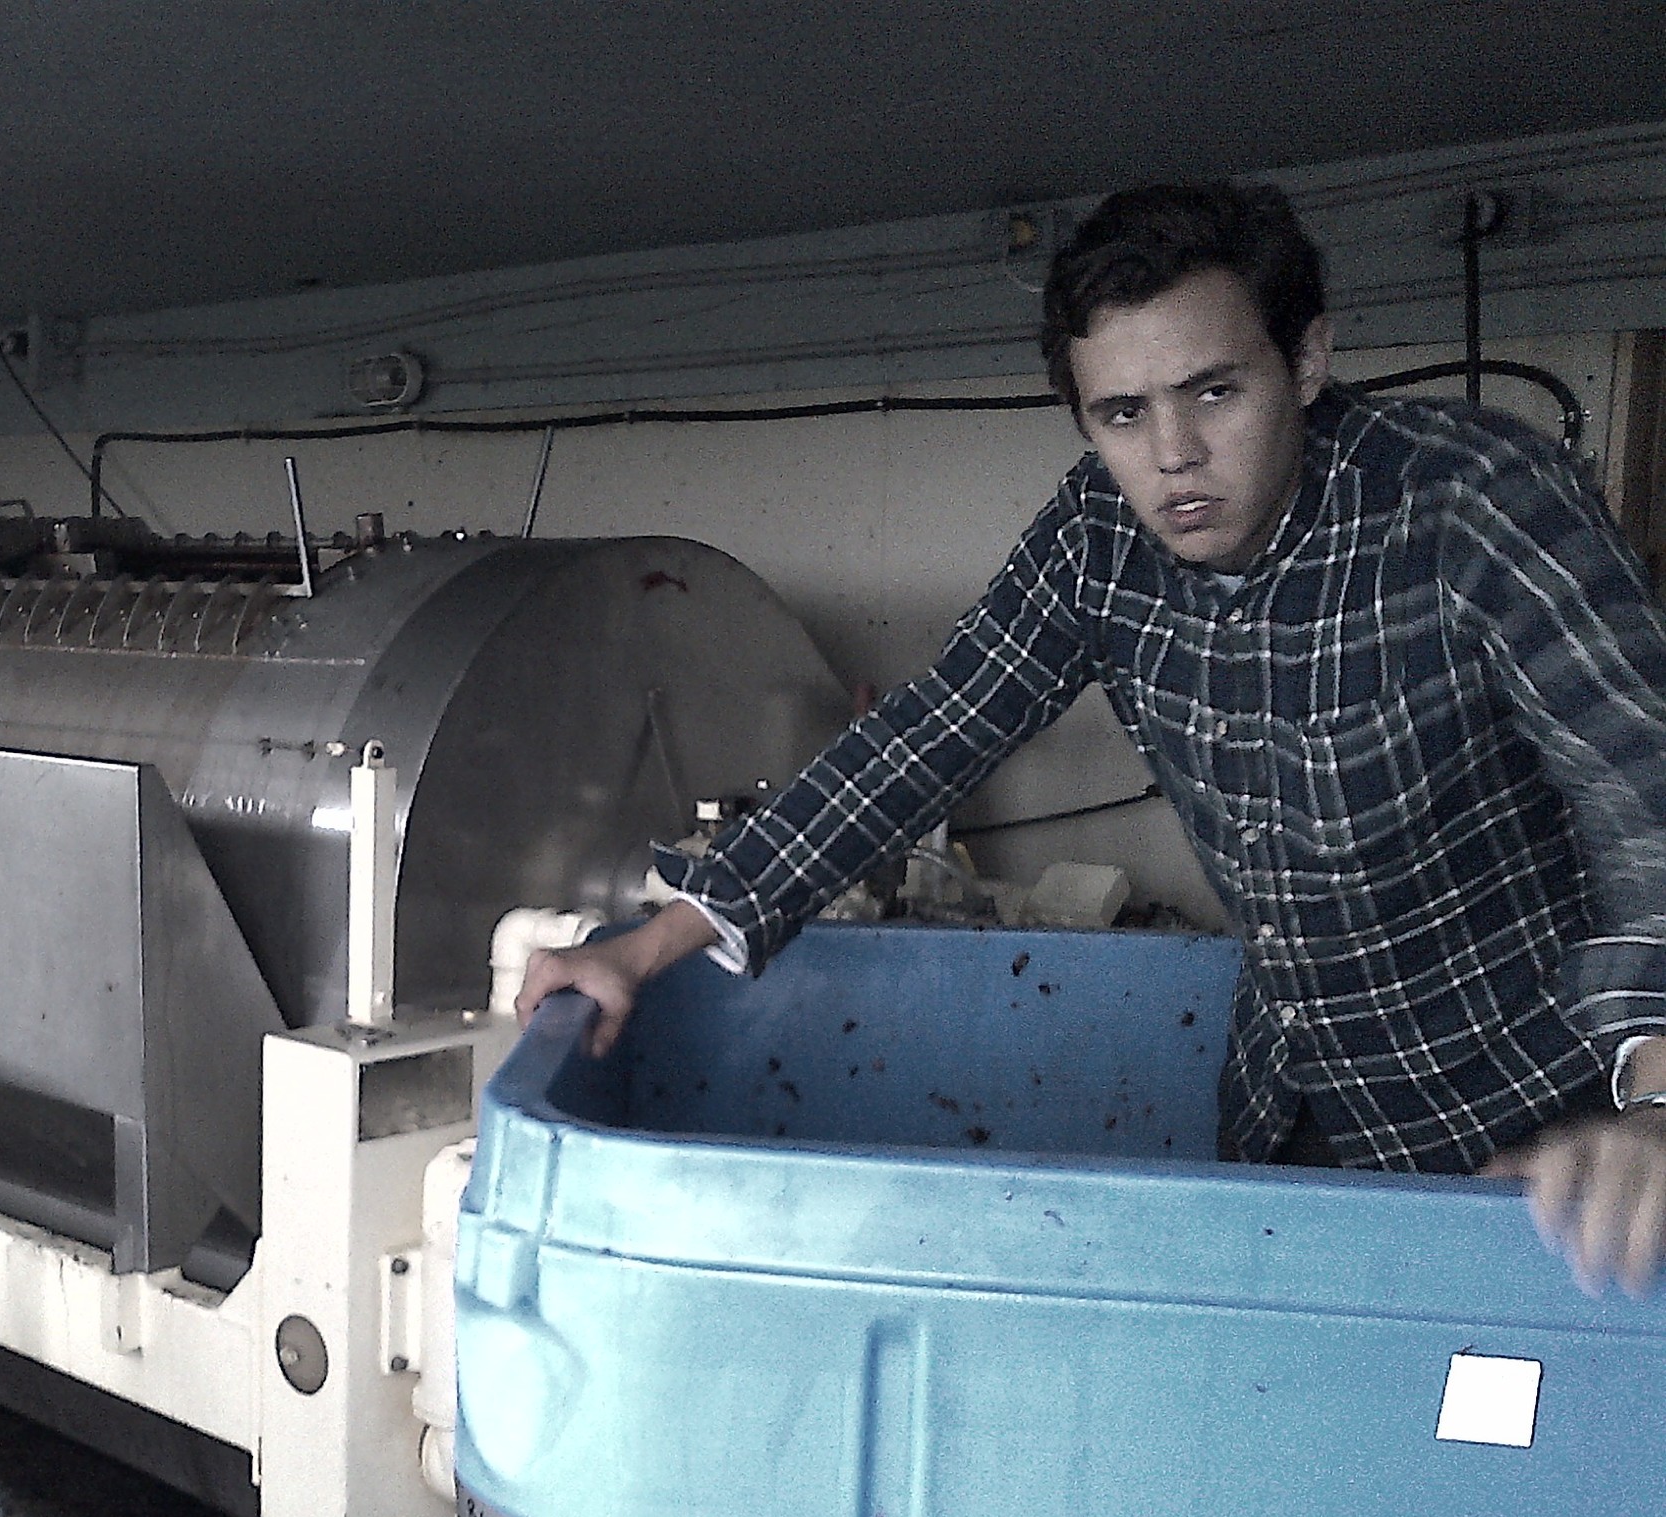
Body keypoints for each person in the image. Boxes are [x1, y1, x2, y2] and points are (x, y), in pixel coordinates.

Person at [521, 180, 1666, 1298]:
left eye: (1213, 392)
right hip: (1299, 1116)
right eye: (1122, 414)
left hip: (1557, 1158)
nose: (1172, 456)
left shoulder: (1474, 500)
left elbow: (1642, 786)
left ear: (1306, 361)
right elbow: (928, 734)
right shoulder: (1095, 538)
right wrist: (650, 944)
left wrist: (1656, 1108)